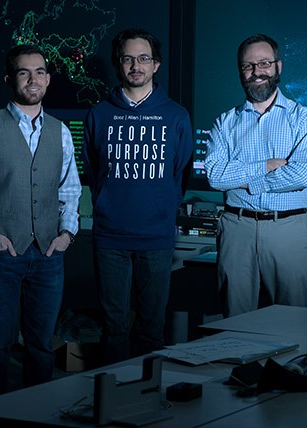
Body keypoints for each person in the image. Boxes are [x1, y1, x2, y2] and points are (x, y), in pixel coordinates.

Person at [0, 44, 81, 399]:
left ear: (48, 78)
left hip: (49, 253)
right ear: (11, 79)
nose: (33, 79)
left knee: (41, 344)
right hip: (2, 253)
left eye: (39, 71)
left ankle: (36, 414)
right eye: (24, 72)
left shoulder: (61, 131)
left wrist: (68, 233)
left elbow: (70, 188)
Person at [83, 28, 194, 364]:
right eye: (128, 58)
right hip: (110, 237)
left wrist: (161, 208)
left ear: (156, 65)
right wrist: (108, 206)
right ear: (119, 63)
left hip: (156, 237)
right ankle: (112, 400)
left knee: (151, 328)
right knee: (113, 327)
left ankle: (147, 401)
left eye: (143, 58)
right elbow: (92, 170)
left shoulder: (176, 115)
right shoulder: (99, 113)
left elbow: (182, 172)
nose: (136, 65)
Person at [204, 33, 307, 318]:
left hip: (288, 229)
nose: (257, 72)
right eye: (248, 66)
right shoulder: (225, 122)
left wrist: (244, 181)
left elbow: (303, 175)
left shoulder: (304, 118)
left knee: (293, 322)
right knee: (233, 323)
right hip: (236, 229)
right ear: (240, 71)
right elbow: (215, 176)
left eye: (264, 63)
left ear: (278, 67)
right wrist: (267, 164)